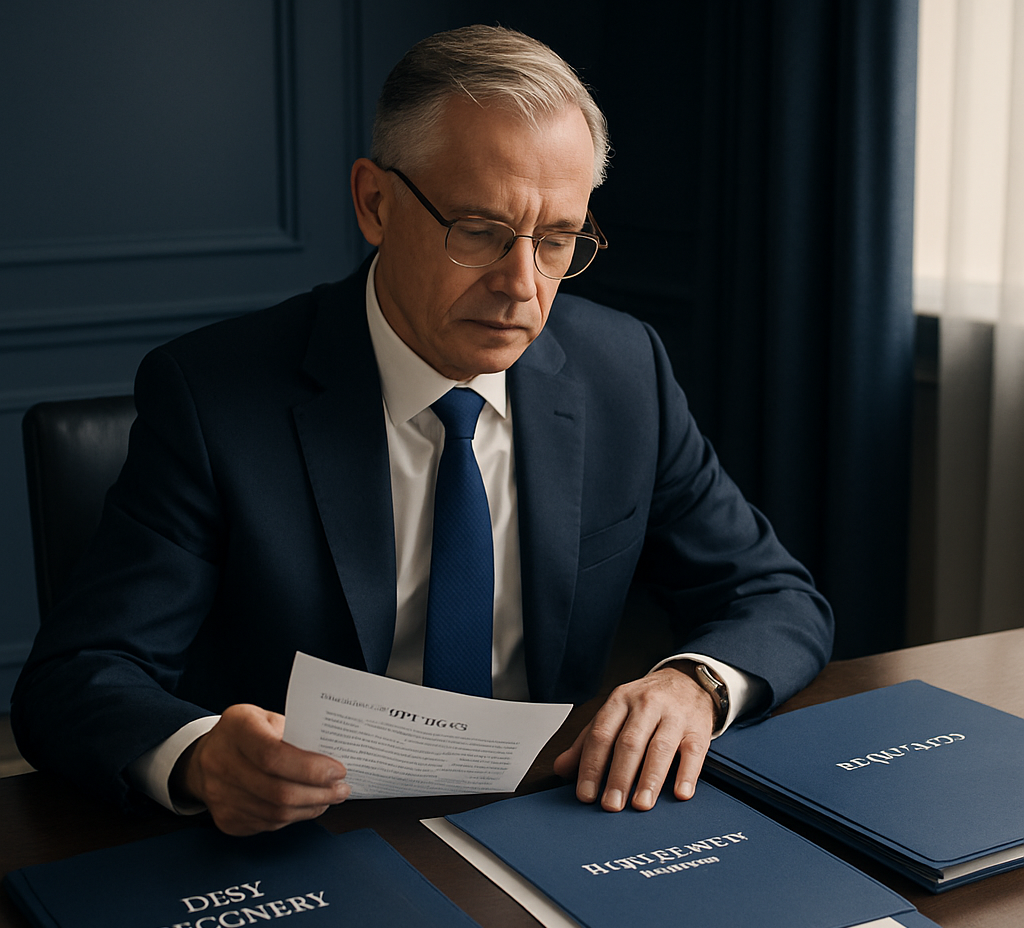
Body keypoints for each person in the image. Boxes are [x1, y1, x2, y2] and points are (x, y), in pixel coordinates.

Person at [12, 26, 833, 836]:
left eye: (556, 241)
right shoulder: (210, 397)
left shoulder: (623, 371)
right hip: (304, 840)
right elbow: (76, 677)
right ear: (375, 203)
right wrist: (198, 758)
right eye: (478, 231)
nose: (523, 287)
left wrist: (695, 683)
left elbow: (772, 594)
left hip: (548, 817)